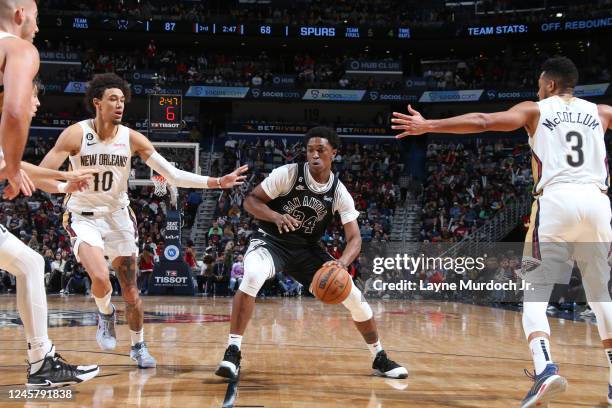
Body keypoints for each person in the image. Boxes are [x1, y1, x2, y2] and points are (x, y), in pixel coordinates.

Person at [392, 56, 612, 407]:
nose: (537, 90)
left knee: (534, 293)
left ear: (551, 85)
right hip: (599, 203)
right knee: (601, 295)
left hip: (556, 202)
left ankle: (545, 368)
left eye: (540, 84)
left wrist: (429, 125)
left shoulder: (536, 109)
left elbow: (482, 121)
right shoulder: (602, 112)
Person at [40, 73, 248, 368]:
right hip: (82, 216)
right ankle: (105, 313)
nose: (120, 104)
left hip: (118, 218)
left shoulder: (132, 138)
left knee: (131, 291)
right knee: (99, 277)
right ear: (97, 103)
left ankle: (138, 346)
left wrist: (217, 181)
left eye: (123, 100)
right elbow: (42, 176)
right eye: (113, 99)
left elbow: (172, 175)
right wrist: (64, 186)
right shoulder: (75, 135)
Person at [215, 126, 407, 380]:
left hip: (307, 251)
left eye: (321, 150)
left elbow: (354, 238)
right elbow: (251, 201)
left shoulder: (339, 192)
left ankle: (379, 356)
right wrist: (276, 216)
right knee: (252, 276)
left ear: (334, 153)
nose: (314, 155)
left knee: (356, 298)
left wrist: (342, 263)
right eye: (309, 150)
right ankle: (233, 351)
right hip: (271, 242)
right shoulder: (288, 174)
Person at [0, 0, 99, 387]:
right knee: (29, 264)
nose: (38, 28)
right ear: (21, 14)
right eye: (37, 18)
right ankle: (41, 364)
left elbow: (21, 168)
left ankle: (42, 361)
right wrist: (11, 166)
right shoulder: (18, 48)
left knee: (28, 264)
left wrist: (60, 182)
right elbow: (14, 111)